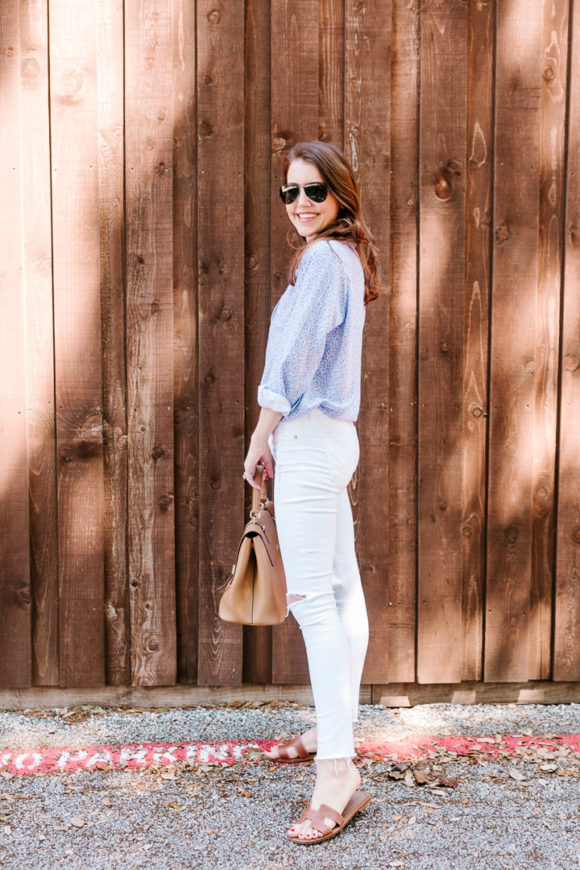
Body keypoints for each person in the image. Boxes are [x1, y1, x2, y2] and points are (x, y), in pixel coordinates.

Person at [243, 140, 380, 844]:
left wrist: (261, 435)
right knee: (338, 591)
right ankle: (334, 732)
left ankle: (337, 773)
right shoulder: (344, 256)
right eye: (290, 193)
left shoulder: (326, 259)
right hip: (331, 441)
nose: (300, 205)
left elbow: (292, 361)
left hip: (308, 438)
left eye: (314, 193)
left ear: (340, 197)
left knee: (312, 603)